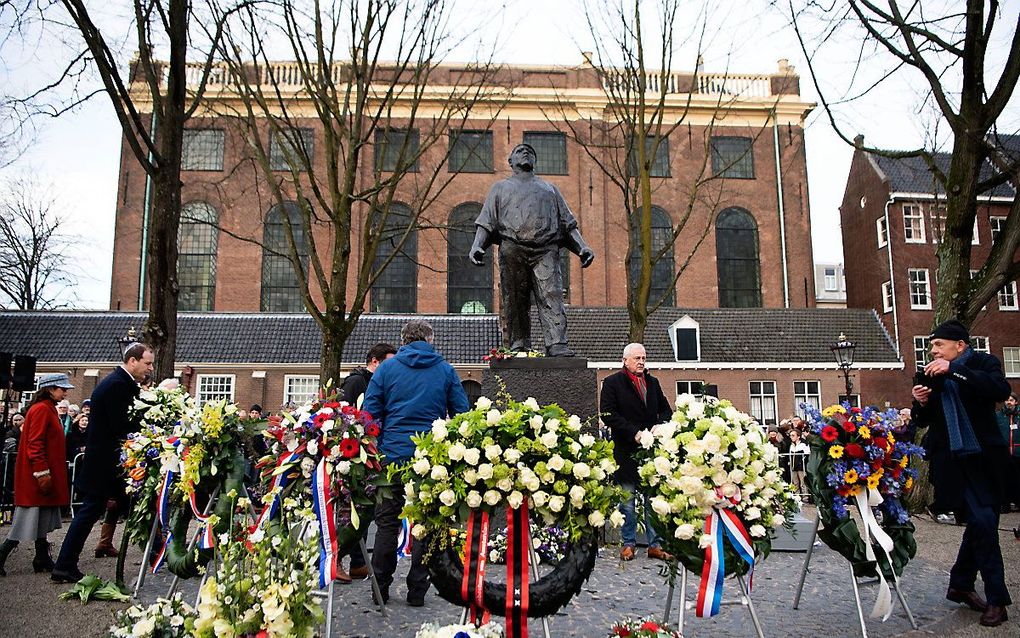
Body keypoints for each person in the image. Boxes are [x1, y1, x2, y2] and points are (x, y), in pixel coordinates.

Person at [911, 319, 1012, 627]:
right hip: (954, 462)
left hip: (986, 459)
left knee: (984, 523)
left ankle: (960, 583)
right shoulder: (927, 374)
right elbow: (923, 420)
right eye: (931, 347)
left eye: (939, 345)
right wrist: (920, 404)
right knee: (982, 521)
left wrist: (954, 371)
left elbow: (999, 389)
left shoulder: (983, 363)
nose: (933, 351)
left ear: (960, 346)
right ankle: (997, 599)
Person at [361, 320, 469, 607]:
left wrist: (381, 443)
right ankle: (417, 590)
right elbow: (462, 414)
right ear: (430, 340)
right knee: (425, 525)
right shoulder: (445, 369)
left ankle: (380, 587)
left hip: (391, 457)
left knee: (386, 524)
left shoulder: (385, 369)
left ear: (404, 341)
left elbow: (369, 414)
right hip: (429, 459)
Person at [469, 143, 595, 356]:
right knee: (515, 298)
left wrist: (582, 246)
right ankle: (518, 343)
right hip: (512, 247)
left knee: (552, 294)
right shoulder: (499, 188)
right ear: (510, 162)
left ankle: (557, 343)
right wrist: (477, 245)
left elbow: (567, 222)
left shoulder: (550, 189)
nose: (526, 152)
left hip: (545, 249)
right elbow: (487, 221)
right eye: (520, 151)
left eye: (530, 152)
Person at [51, 343, 153, 582]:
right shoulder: (118, 386)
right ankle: (64, 564)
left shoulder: (119, 383)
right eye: (147, 363)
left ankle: (159, 554)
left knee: (136, 507)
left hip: (107, 463)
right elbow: (123, 426)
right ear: (133, 361)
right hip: (108, 465)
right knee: (100, 510)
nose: (149, 368)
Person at [599, 343, 673, 562]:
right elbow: (608, 414)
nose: (641, 361)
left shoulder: (653, 382)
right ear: (625, 361)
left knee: (652, 500)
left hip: (651, 453)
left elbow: (666, 410)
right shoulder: (613, 383)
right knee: (628, 502)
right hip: (626, 450)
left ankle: (655, 544)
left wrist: (660, 425)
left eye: (643, 358)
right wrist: (634, 433)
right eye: (637, 358)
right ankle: (628, 543)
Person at [0, 373, 74, 577]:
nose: (65, 392)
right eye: (62, 388)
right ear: (50, 389)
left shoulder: (46, 409)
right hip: (37, 475)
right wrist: (42, 473)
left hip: (40, 473)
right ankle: (2, 554)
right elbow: (35, 443)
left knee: (41, 516)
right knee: (26, 519)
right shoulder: (42, 409)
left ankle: (41, 557)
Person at [336, 342, 397, 583]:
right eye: (389, 362)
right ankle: (336, 557)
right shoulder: (356, 382)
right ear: (375, 361)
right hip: (354, 451)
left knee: (364, 507)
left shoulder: (381, 382)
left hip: (372, 449)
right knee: (353, 508)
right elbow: (343, 414)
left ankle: (359, 563)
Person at [995, 392, 1019, 512]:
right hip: (1003, 454)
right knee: (1003, 480)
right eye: (1007, 400)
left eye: (1011, 400)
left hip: (1017, 452)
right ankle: (1004, 504)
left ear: (1016, 402)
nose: (1009, 402)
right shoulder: (998, 416)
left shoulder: (1018, 417)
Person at [787, 428, 809, 499]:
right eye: (790, 435)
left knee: (803, 483)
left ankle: (805, 496)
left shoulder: (803, 445)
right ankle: (797, 496)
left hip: (801, 467)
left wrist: (802, 463)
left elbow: (807, 455)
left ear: (798, 436)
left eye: (793, 435)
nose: (791, 437)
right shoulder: (791, 445)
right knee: (795, 483)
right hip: (793, 467)